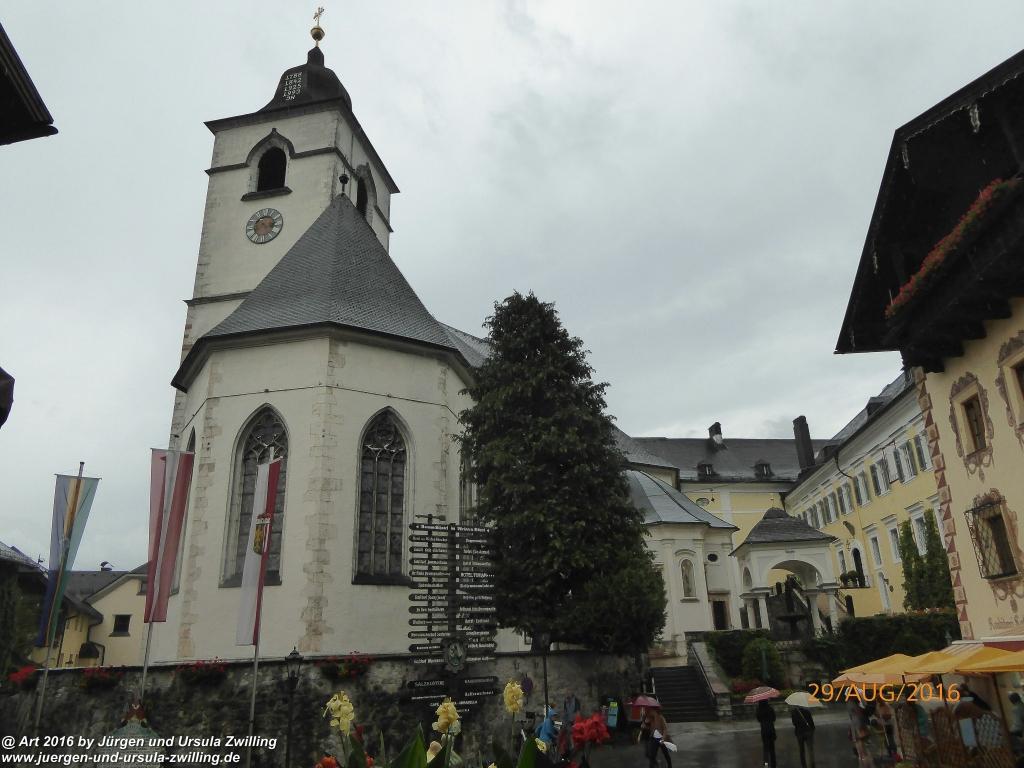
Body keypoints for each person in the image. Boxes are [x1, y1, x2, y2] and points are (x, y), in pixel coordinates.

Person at [756, 700, 777, 768]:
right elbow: (774, 718)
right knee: (772, 749)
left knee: (765, 750)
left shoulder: (758, 710)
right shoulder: (770, 708)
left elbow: (758, 719)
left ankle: (766, 765)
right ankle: (773, 765)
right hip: (771, 730)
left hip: (764, 731)